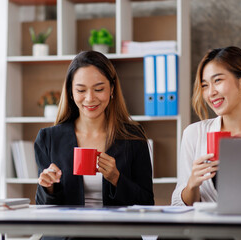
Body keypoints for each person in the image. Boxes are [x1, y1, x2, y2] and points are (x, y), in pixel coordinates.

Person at [35, 50, 154, 208]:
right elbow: (42, 209)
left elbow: (147, 203)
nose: (90, 98)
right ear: (70, 92)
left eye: (98, 89)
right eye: (81, 90)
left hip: (114, 231)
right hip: (68, 231)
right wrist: (48, 187)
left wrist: (116, 178)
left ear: (112, 89)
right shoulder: (48, 139)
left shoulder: (133, 137)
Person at [172, 46, 241, 206]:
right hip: (208, 231)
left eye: (217, 80)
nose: (210, 93)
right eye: (205, 85)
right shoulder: (194, 134)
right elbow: (177, 207)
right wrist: (192, 184)